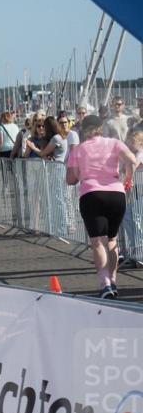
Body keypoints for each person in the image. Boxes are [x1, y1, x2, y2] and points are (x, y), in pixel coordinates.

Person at [66, 115, 141, 298]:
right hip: (116, 193)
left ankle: (105, 283)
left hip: (91, 194)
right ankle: (114, 280)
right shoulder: (114, 143)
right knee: (113, 240)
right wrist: (128, 179)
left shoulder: (79, 150)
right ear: (101, 128)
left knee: (98, 241)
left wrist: (80, 174)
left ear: (83, 129)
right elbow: (131, 160)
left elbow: (70, 179)